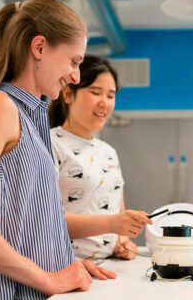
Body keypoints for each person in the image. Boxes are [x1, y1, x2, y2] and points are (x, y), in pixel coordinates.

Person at [0, 0, 115, 299]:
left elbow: (27, 224)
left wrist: (66, 263)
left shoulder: (32, 118)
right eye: (73, 61)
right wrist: (49, 280)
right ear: (39, 48)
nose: (75, 75)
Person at [49, 55, 152, 260]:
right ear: (68, 94)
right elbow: (45, 221)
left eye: (111, 95)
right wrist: (113, 223)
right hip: (67, 267)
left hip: (109, 267)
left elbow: (117, 212)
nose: (104, 103)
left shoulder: (108, 152)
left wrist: (123, 241)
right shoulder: (50, 144)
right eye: (96, 93)